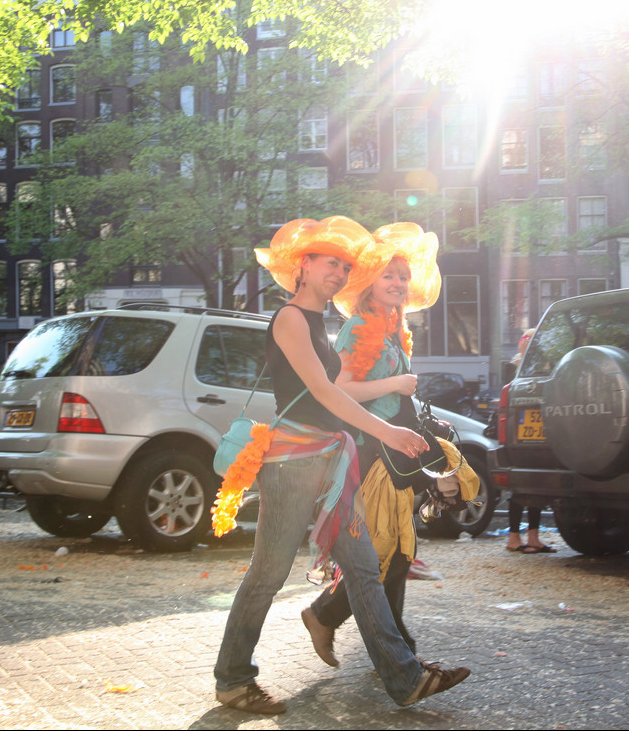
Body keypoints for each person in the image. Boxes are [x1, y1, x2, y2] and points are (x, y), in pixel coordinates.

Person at [211, 216, 470, 715]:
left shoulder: (318, 324)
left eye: (345, 266)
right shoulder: (290, 318)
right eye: (331, 263)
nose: (339, 273)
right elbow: (326, 392)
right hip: (292, 465)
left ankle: (405, 677)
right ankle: (232, 679)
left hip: (329, 464)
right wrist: (388, 431)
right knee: (267, 573)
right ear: (303, 265)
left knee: (363, 568)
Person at [301, 222, 477, 662]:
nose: (398, 283)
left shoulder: (393, 327)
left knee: (396, 552)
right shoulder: (359, 328)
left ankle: (385, 645)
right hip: (369, 454)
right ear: (368, 283)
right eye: (388, 275)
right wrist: (398, 382)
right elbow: (337, 389)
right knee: (386, 555)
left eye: (403, 275)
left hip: (393, 451)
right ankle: (347, 626)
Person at [504, 328, 554, 554]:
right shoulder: (520, 368)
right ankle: (516, 537)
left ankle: (531, 536)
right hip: (527, 435)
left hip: (530, 433)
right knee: (523, 486)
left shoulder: (532, 368)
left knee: (536, 485)